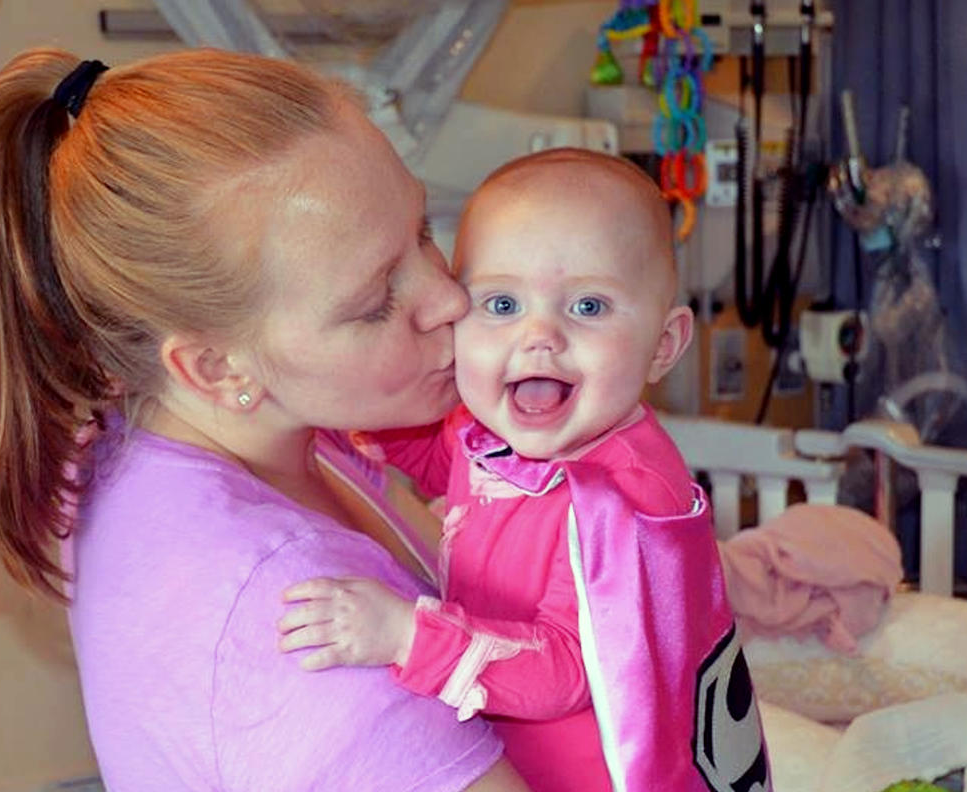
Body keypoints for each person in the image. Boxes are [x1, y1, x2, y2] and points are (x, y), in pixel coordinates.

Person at [0, 47, 531, 791]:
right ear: (216, 369)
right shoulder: (295, 620)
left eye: (424, 231)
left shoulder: (212, 438)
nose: (448, 299)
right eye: (376, 300)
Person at [278, 149, 772, 792]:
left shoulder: (620, 505)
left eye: (588, 307)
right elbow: (449, 465)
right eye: (503, 304)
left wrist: (407, 636)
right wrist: (353, 416)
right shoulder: (499, 432)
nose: (540, 335)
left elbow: (566, 668)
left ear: (664, 345)